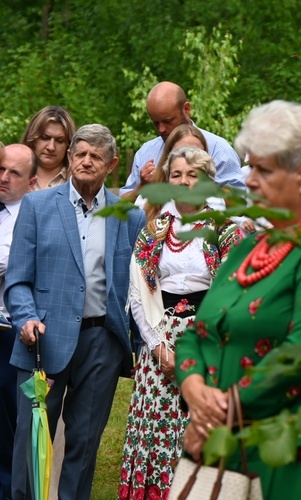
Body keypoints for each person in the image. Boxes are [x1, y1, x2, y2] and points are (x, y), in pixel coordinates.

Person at [176, 100, 301, 499]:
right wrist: (194, 389)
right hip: (227, 447)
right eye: (249, 166)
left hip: (297, 455)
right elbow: (198, 332)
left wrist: (218, 413)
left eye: (263, 169)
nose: (248, 179)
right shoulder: (247, 249)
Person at [5, 124, 145, 500]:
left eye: (95, 156)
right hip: (43, 342)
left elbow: (136, 286)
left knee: (84, 445)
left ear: (111, 165)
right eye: (80, 153)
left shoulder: (129, 217)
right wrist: (26, 318)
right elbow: (16, 280)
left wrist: (134, 342)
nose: (85, 161)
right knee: (32, 442)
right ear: (69, 158)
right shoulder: (37, 206)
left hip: (102, 344)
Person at [118, 148, 242, 499]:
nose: (185, 182)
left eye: (194, 175)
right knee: (156, 432)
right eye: (177, 175)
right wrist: (157, 347)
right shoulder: (153, 230)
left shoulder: (226, 231)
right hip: (160, 342)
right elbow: (139, 290)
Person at [120, 81, 245, 195]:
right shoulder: (146, 152)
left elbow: (239, 200)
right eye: (156, 123)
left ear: (186, 109)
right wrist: (142, 187)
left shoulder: (219, 149)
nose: (161, 129)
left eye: (168, 121)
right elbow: (122, 203)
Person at [0, 144, 37, 500]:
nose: (4, 178)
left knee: (8, 424)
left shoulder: (30, 215)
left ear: (32, 182)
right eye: (1, 169)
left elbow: (10, 263)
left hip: (9, 331)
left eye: (14, 173)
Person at [21, 105, 76, 191]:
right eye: (45, 138)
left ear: (68, 145)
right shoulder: (9, 175)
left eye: (59, 140)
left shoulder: (78, 182)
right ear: (32, 139)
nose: (51, 147)